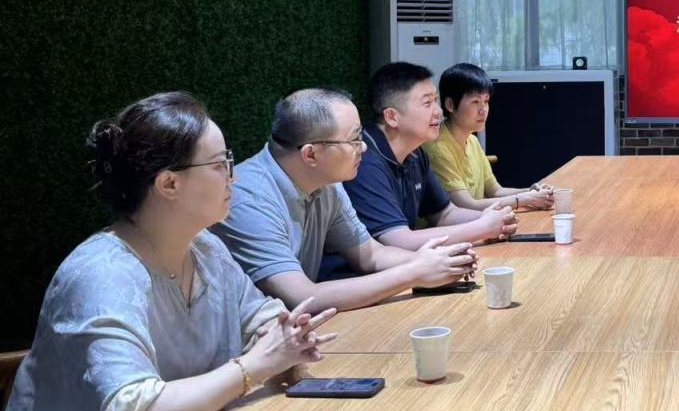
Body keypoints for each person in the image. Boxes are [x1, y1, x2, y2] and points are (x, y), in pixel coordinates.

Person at [0, 93, 335, 411]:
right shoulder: (101, 274)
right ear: (169, 184)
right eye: (220, 164)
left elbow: (262, 317)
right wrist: (255, 365)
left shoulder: (205, 248)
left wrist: (286, 338)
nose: (233, 176)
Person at [213, 88, 479, 314]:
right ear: (311, 155)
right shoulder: (250, 199)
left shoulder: (327, 182)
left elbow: (371, 255)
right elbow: (302, 297)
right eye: (354, 139)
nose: (363, 147)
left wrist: (437, 262)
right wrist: (415, 273)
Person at [343, 62, 518, 250]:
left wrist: (496, 218)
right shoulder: (364, 160)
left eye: (436, 100)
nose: (439, 111)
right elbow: (398, 240)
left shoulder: (416, 153)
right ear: (392, 117)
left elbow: (445, 214)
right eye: (427, 103)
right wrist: (482, 227)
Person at [425, 63, 554, 212]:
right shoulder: (438, 148)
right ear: (450, 105)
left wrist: (531, 192)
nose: (483, 110)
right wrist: (525, 199)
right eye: (475, 102)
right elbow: (466, 205)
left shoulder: (472, 140)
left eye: (486, 101)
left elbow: (495, 191)